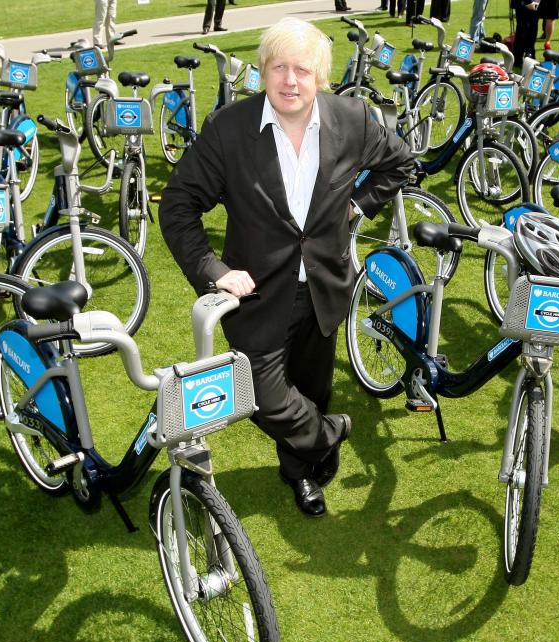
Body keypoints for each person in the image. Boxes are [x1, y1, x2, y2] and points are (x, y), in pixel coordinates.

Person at [159, 18, 415, 517]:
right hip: (256, 293)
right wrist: (213, 269)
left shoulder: (351, 119)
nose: (290, 80)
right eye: (279, 67)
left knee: (311, 388)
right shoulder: (229, 130)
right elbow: (177, 205)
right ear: (263, 71)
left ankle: (302, 472)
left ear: (319, 75)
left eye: (302, 69)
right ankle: (328, 434)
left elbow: (400, 163)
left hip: (324, 288)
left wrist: (357, 206)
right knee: (258, 393)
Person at [513, 0, 543, 66]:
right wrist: (529, 2)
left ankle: (524, 57)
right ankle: (520, 58)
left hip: (532, 3)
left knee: (530, 29)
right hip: (525, 4)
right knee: (524, 30)